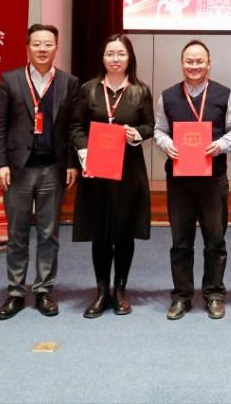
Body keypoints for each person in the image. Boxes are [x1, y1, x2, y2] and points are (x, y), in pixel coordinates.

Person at [0, 23, 80, 320]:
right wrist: (0, 163)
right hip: (18, 169)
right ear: (27, 48)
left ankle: (43, 290)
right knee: (17, 233)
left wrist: (71, 163)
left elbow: (72, 128)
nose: (43, 49)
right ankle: (16, 292)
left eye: (48, 44)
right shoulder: (11, 80)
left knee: (48, 233)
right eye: (37, 44)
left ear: (56, 48)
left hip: (52, 168)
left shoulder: (69, 82)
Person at [69, 33, 154, 318]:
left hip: (128, 172)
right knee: (101, 233)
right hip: (96, 171)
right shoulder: (89, 89)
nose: (115, 59)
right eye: (110, 54)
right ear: (103, 58)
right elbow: (76, 126)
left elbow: (150, 125)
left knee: (124, 232)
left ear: (129, 58)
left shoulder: (140, 91)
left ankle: (120, 289)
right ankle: (102, 290)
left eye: (120, 54)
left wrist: (136, 134)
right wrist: (84, 152)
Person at [153, 40, 231, 320]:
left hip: (213, 179)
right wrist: (166, 144)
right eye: (189, 61)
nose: (194, 66)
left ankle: (214, 294)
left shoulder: (225, 94)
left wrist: (221, 145)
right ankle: (181, 296)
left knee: (215, 240)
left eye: (199, 61)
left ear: (209, 64)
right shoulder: (168, 96)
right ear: (182, 64)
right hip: (179, 180)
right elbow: (159, 129)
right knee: (181, 241)